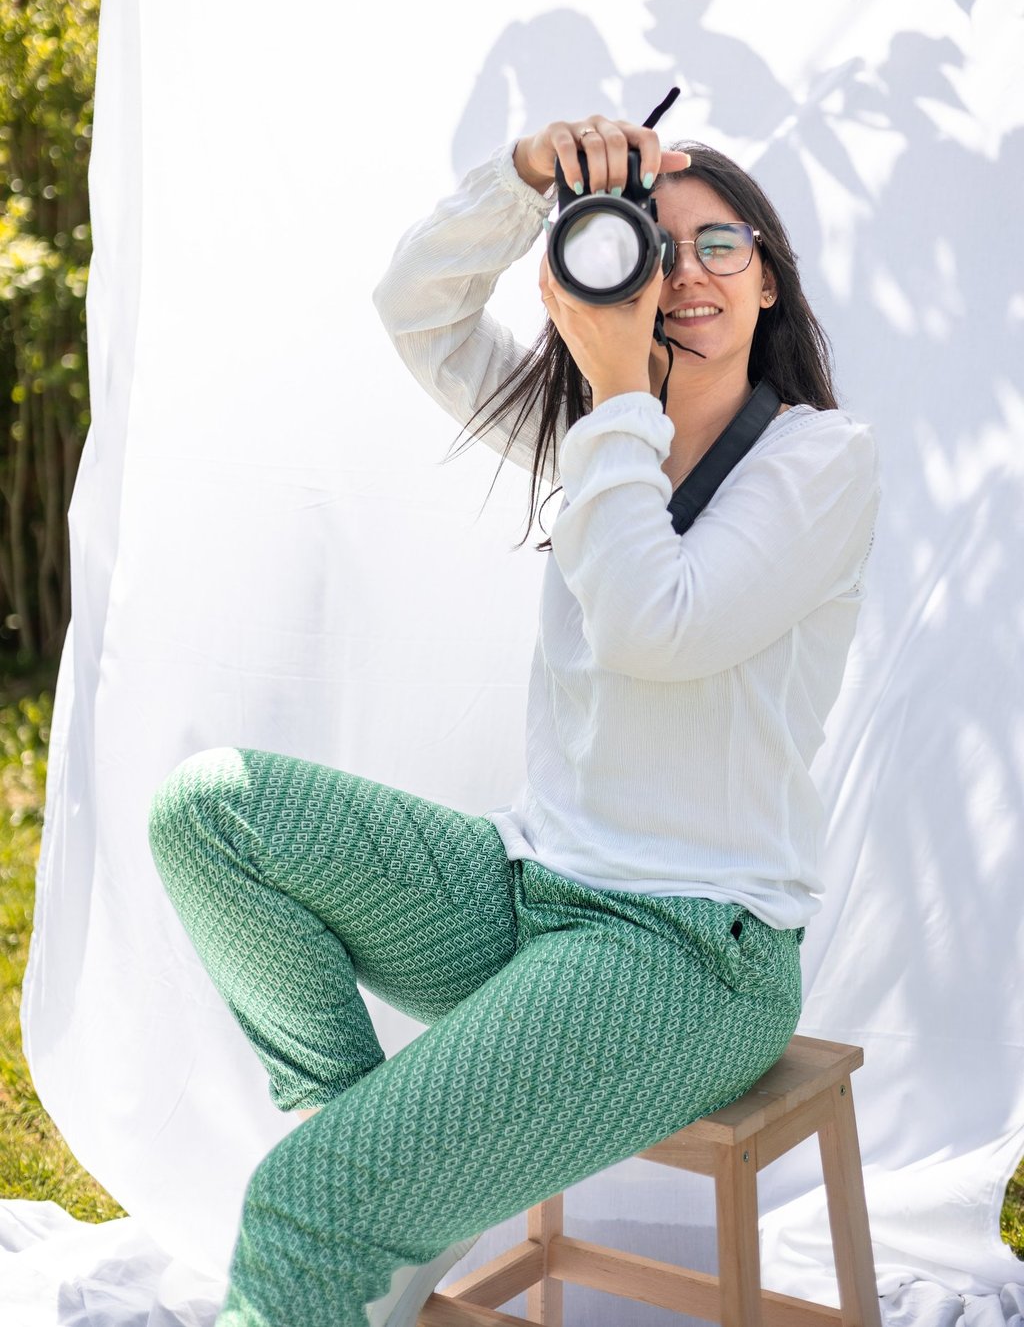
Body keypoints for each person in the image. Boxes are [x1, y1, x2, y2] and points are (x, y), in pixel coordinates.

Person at [147, 115, 881, 1327]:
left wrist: (616, 390)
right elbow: (415, 309)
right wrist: (523, 177)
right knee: (215, 811)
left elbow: (655, 625)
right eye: (654, 246)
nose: (687, 273)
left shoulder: (818, 459)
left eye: (722, 244)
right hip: (529, 885)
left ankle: (353, 1207)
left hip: (693, 951)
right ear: (608, 267)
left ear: (769, 278)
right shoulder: (593, 431)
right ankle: (379, 1182)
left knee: (302, 1199)